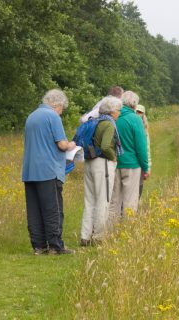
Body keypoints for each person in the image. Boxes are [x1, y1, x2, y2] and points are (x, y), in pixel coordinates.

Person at [22, 88, 77, 255]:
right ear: (57, 104)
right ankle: (55, 245)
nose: (61, 112)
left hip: (30, 170)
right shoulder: (52, 116)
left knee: (34, 209)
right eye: (62, 109)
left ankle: (38, 245)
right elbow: (61, 144)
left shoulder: (31, 116)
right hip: (48, 170)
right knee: (52, 208)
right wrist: (72, 145)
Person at [80, 97, 123, 246]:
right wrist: (113, 157)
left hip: (89, 163)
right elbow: (105, 146)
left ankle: (85, 236)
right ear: (112, 111)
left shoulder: (95, 121)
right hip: (102, 164)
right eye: (118, 110)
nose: (119, 113)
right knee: (103, 200)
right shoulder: (109, 124)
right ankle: (99, 237)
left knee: (89, 200)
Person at [108, 91, 149, 220]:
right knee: (130, 201)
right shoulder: (135, 119)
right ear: (134, 104)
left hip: (114, 163)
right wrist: (145, 167)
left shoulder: (114, 116)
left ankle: (109, 232)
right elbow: (141, 147)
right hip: (132, 165)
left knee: (114, 200)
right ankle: (127, 232)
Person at [135, 104, 152, 198]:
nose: (138, 113)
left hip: (142, 160)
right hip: (133, 161)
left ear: (143, 114)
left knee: (140, 185)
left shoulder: (145, 128)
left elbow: (147, 148)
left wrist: (148, 166)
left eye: (140, 112)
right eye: (136, 111)